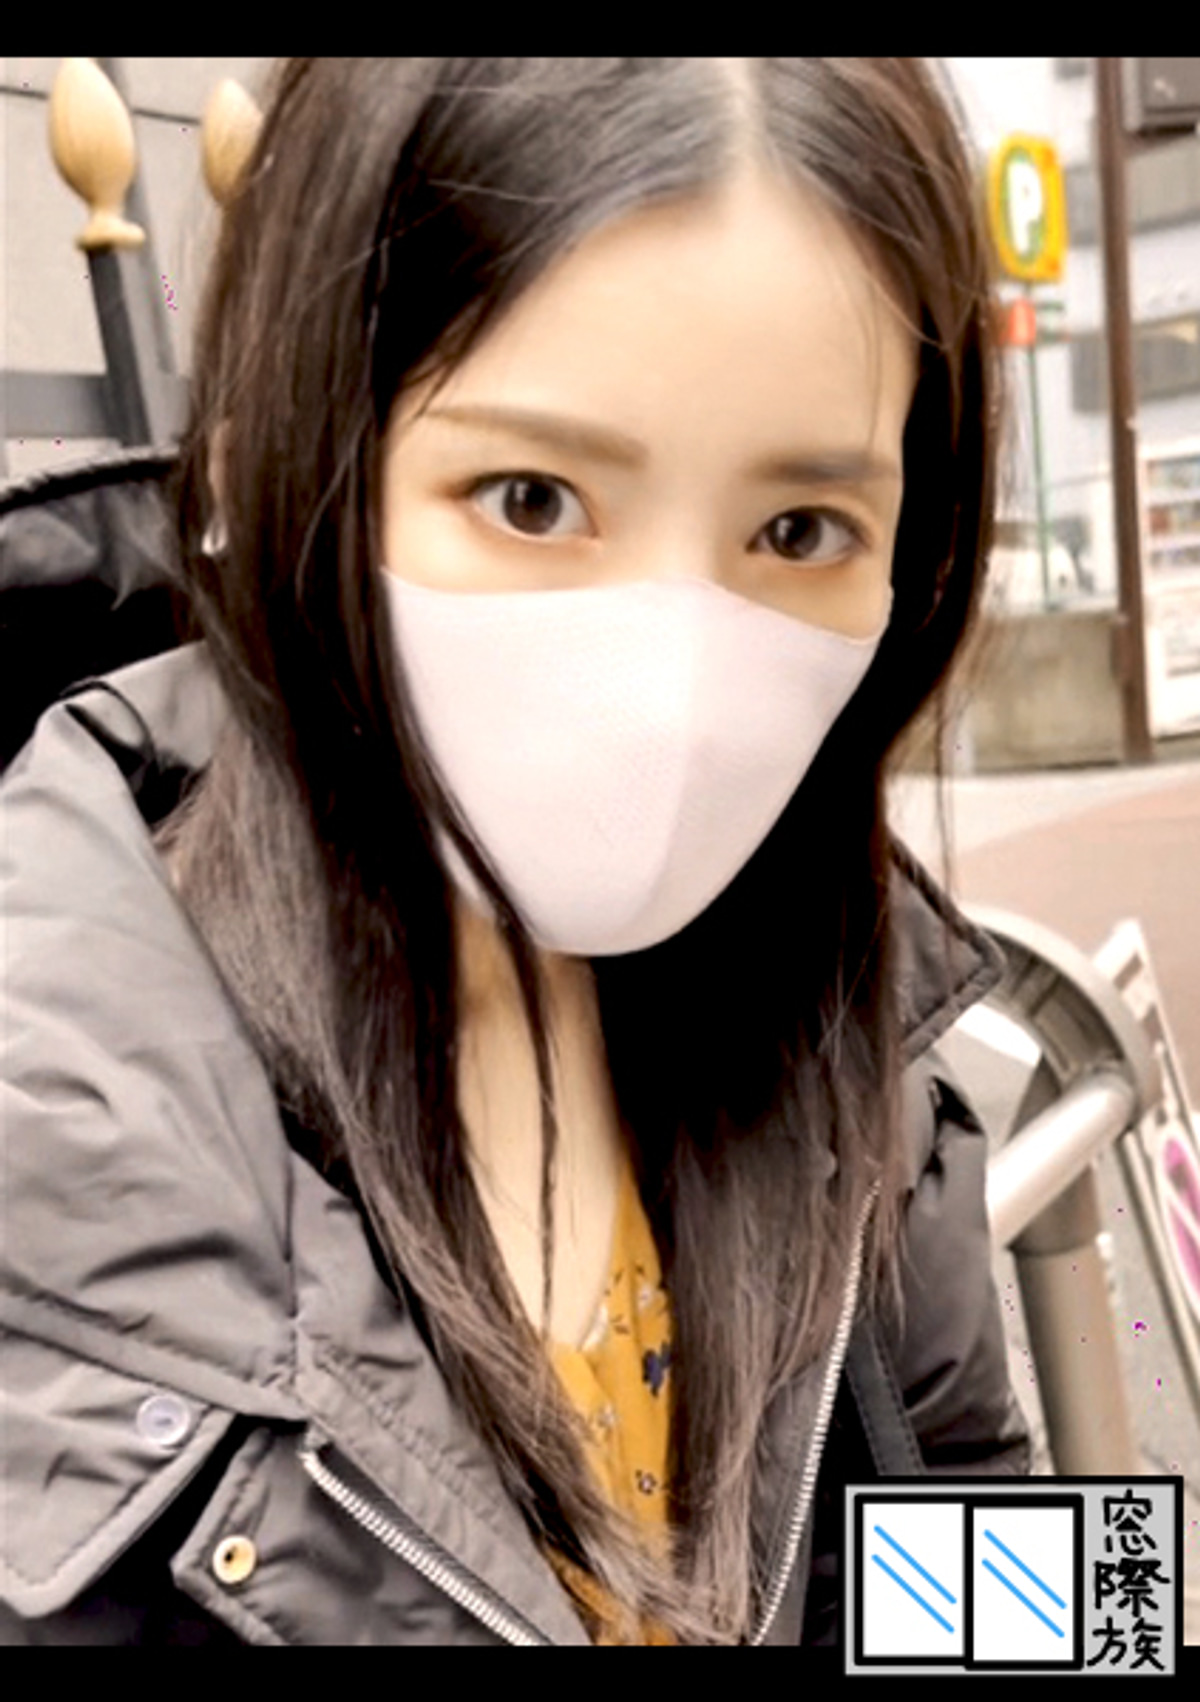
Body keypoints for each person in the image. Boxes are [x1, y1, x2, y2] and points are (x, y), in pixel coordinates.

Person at [0, 57, 1031, 1648]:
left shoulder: (852, 1034)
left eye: (799, 531)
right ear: (313, 470)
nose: (671, 686)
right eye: (533, 497)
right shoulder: (56, 1140)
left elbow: (971, 1547)